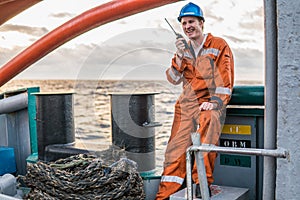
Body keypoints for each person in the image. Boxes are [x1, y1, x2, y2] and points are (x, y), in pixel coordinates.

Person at [155, 2, 234, 199]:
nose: (187, 26)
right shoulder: (183, 50)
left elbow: (225, 78)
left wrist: (216, 102)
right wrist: (180, 56)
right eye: (184, 23)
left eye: (191, 21)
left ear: (201, 23)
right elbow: (173, 79)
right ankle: (165, 195)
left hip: (210, 101)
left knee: (209, 122)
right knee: (175, 149)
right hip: (187, 104)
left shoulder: (218, 45)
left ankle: (201, 184)